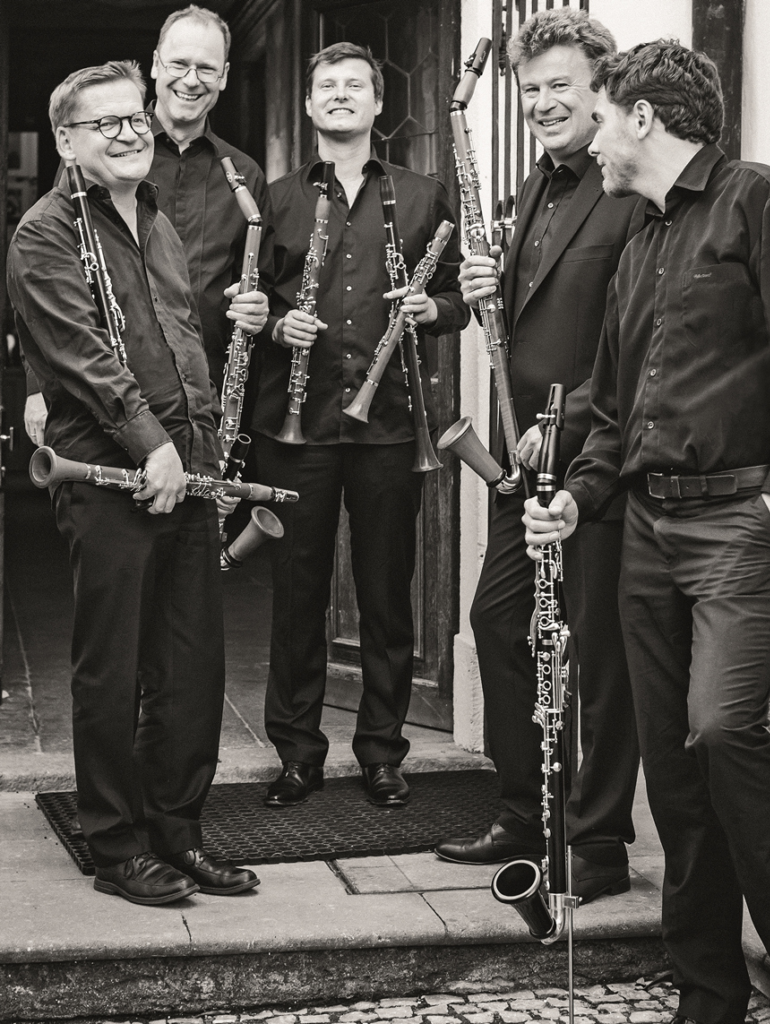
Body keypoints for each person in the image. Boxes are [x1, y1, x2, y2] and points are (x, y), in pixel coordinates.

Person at [524, 39, 770, 1024]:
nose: (590, 141)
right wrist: (577, 498)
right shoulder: (637, 242)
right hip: (645, 527)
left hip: (739, 521)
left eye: (599, 117)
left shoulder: (766, 202)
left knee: (719, 726)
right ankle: (707, 985)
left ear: (640, 115)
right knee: (672, 765)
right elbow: (612, 407)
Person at [7, 61, 259, 905]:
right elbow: (85, 357)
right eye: (103, 123)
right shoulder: (43, 234)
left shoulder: (154, 219)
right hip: (108, 471)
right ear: (66, 141)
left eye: (134, 119)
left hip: (185, 466)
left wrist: (203, 449)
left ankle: (177, 831)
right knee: (111, 670)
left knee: (191, 667)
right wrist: (153, 447)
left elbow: (182, 343)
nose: (127, 133)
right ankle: (116, 848)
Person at [434, 8, 641, 906]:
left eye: (561, 85)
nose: (543, 102)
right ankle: (527, 813)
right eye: (531, 89)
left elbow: (635, 335)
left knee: (599, 655)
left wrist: (573, 419)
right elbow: (537, 309)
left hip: (600, 452)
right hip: (530, 457)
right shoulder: (537, 184)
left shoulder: (630, 186)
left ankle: (597, 842)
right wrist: (491, 283)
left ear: (603, 89)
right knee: (497, 622)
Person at [250, 42, 469, 808]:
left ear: (379, 103)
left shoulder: (424, 195)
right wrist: (276, 325)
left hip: (390, 427)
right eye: (326, 86)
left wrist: (433, 308)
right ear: (310, 104)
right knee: (296, 595)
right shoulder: (275, 199)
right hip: (296, 428)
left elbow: (459, 298)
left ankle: (382, 752)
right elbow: (246, 300)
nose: (340, 94)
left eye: (355, 85)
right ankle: (297, 754)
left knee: (385, 596)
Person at [25, 4, 273, 444]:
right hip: (103, 397)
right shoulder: (98, 152)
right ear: (156, 63)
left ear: (224, 76)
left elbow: (258, 282)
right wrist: (36, 386)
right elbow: (52, 273)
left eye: (206, 68)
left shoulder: (245, 174)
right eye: (179, 64)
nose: (191, 80)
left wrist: (258, 307)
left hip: (204, 399)